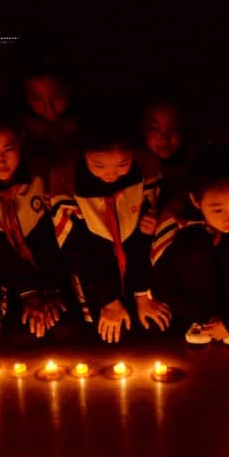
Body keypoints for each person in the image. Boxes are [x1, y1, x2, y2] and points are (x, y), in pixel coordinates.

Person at [50, 115, 169, 344]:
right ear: (84, 154)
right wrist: (109, 300)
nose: (111, 174)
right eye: (99, 166)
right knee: (112, 335)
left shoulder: (146, 167)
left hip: (139, 262)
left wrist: (142, 295)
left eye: (122, 165)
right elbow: (76, 249)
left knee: (154, 329)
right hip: (95, 270)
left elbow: (142, 241)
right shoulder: (66, 177)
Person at [150, 145, 229, 345]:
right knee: (194, 246)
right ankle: (203, 324)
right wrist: (203, 317)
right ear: (195, 200)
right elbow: (163, 281)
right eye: (217, 209)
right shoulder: (175, 217)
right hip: (196, 306)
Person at [0, 115, 66, 339]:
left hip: (53, 272)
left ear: (21, 141)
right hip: (8, 277)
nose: (0, 161)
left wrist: (52, 289)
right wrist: (29, 295)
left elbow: (53, 237)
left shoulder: (41, 175)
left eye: (8, 150)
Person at [20, 64, 79, 176]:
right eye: (37, 99)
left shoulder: (81, 127)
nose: (49, 107)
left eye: (57, 97)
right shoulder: (20, 130)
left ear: (69, 92)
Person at [139, 99, 191, 213]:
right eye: (154, 128)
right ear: (141, 129)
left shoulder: (191, 169)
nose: (164, 137)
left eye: (174, 128)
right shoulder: (132, 168)